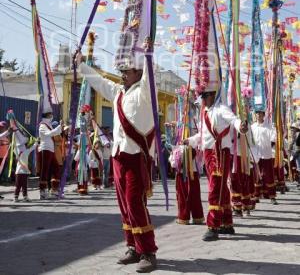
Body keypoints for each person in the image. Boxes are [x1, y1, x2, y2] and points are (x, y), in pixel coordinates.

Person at [77, 37, 157, 273]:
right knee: (123, 204)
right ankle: (132, 246)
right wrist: (82, 64)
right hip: (118, 155)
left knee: (135, 201)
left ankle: (148, 252)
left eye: (127, 71)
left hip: (135, 156)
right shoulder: (118, 92)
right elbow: (98, 81)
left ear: (138, 72)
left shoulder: (144, 91)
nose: (122, 74)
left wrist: (149, 55)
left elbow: (149, 78)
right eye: (121, 70)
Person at [183, 91, 248, 241]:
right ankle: (227, 223)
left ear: (211, 96)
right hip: (208, 153)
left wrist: (241, 127)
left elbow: (234, 120)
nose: (203, 100)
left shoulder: (221, 109)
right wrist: (190, 140)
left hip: (220, 153)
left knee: (215, 188)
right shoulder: (204, 113)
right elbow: (202, 135)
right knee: (221, 189)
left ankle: (213, 226)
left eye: (204, 97)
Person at [170, 144, 204, 225]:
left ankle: (184, 217)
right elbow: (201, 162)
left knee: (183, 196)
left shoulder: (178, 149)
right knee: (195, 196)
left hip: (182, 175)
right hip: (194, 174)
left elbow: (174, 164)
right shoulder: (196, 148)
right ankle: (197, 217)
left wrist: (171, 156)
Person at [251, 110, 277, 204]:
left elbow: (273, 138)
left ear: (263, 115)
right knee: (256, 175)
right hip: (256, 155)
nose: (258, 115)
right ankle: (256, 195)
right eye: (257, 113)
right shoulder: (252, 127)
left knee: (268, 175)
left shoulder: (268, 127)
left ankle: (272, 196)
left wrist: (268, 146)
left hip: (266, 154)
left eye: (260, 113)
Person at [38, 109, 63, 200]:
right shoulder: (42, 125)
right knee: (44, 171)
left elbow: (55, 133)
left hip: (51, 149)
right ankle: (42, 191)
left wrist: (60, 127)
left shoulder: (49, 125)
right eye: (50, 114)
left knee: (56, 169)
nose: (52, 116)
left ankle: (54, 190)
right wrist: (59, 127)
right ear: (47, 115)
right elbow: (49, 134)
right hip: (45, 149)